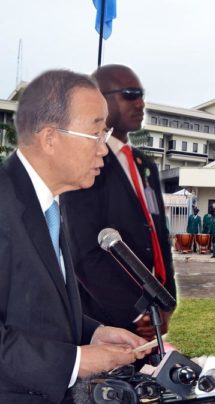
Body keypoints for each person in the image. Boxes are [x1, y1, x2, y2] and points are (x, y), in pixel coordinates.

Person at [0, 69, 149, 403]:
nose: (103, 149)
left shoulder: (48, 202)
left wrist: (93, 332)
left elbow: (33, 304)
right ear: (50, 138)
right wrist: (77, 361)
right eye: (95, 134)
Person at [62, 65, 176, 340]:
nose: (141, 103)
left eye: (141, 95)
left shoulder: (144, 164)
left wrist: (166, 301)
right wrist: (136, 313)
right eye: (130, 94)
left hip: (152, 313)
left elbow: (159, 236)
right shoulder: (83, 161)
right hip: (103, 319)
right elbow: (84, 252)